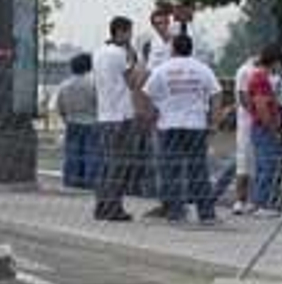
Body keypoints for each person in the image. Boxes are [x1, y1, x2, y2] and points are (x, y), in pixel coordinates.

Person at [141, 33, 221, 224]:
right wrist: (214, 121)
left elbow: (146, 93)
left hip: (169, 125)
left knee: (170, 170)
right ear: (191, 48)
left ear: (173, 48)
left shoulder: (162, 69)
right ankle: (206, 213)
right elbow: (217, 93)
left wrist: (152, 114)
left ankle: (175, 212)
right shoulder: (203, 69)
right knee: (199, 170)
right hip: (196, 125)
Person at [92, 16, 139, 222]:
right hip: (121, 115)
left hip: (104, 114)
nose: (131, 36)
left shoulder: (98, 52)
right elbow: (133, 81)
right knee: (119, 164)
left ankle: (101, 205)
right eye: (129, 32)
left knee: (106, 163)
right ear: (121, 32)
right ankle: (114, 207)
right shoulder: (120, 54)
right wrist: (133, 57)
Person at [246, 44, 282, 215]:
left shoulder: (257, 76)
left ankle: (255, 201)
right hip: (263, 127)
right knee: (267, 165)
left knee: (262, 166)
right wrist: (272, 127)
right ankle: (262, 204)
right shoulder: (261, 78)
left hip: (258, 126)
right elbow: (261, 105)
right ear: (275, 61)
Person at [55, 52, 98, 190]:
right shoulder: (92, 84)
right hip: (90, 121)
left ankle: (71, 180)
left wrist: (65, 117)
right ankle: (88, 180)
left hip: (71, 121)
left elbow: (59, 105)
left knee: (72, 153)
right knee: (89, 152)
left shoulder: (64, 85)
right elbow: (98, 103)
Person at [231, 50, 259, 214]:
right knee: (244, 163)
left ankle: (248, 200)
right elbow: (242, 96)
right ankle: (241, 200)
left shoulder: (249, 70)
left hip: (249, 121)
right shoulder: (246, 71)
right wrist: (256, 114)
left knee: (250, 163)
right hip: (248, 122)